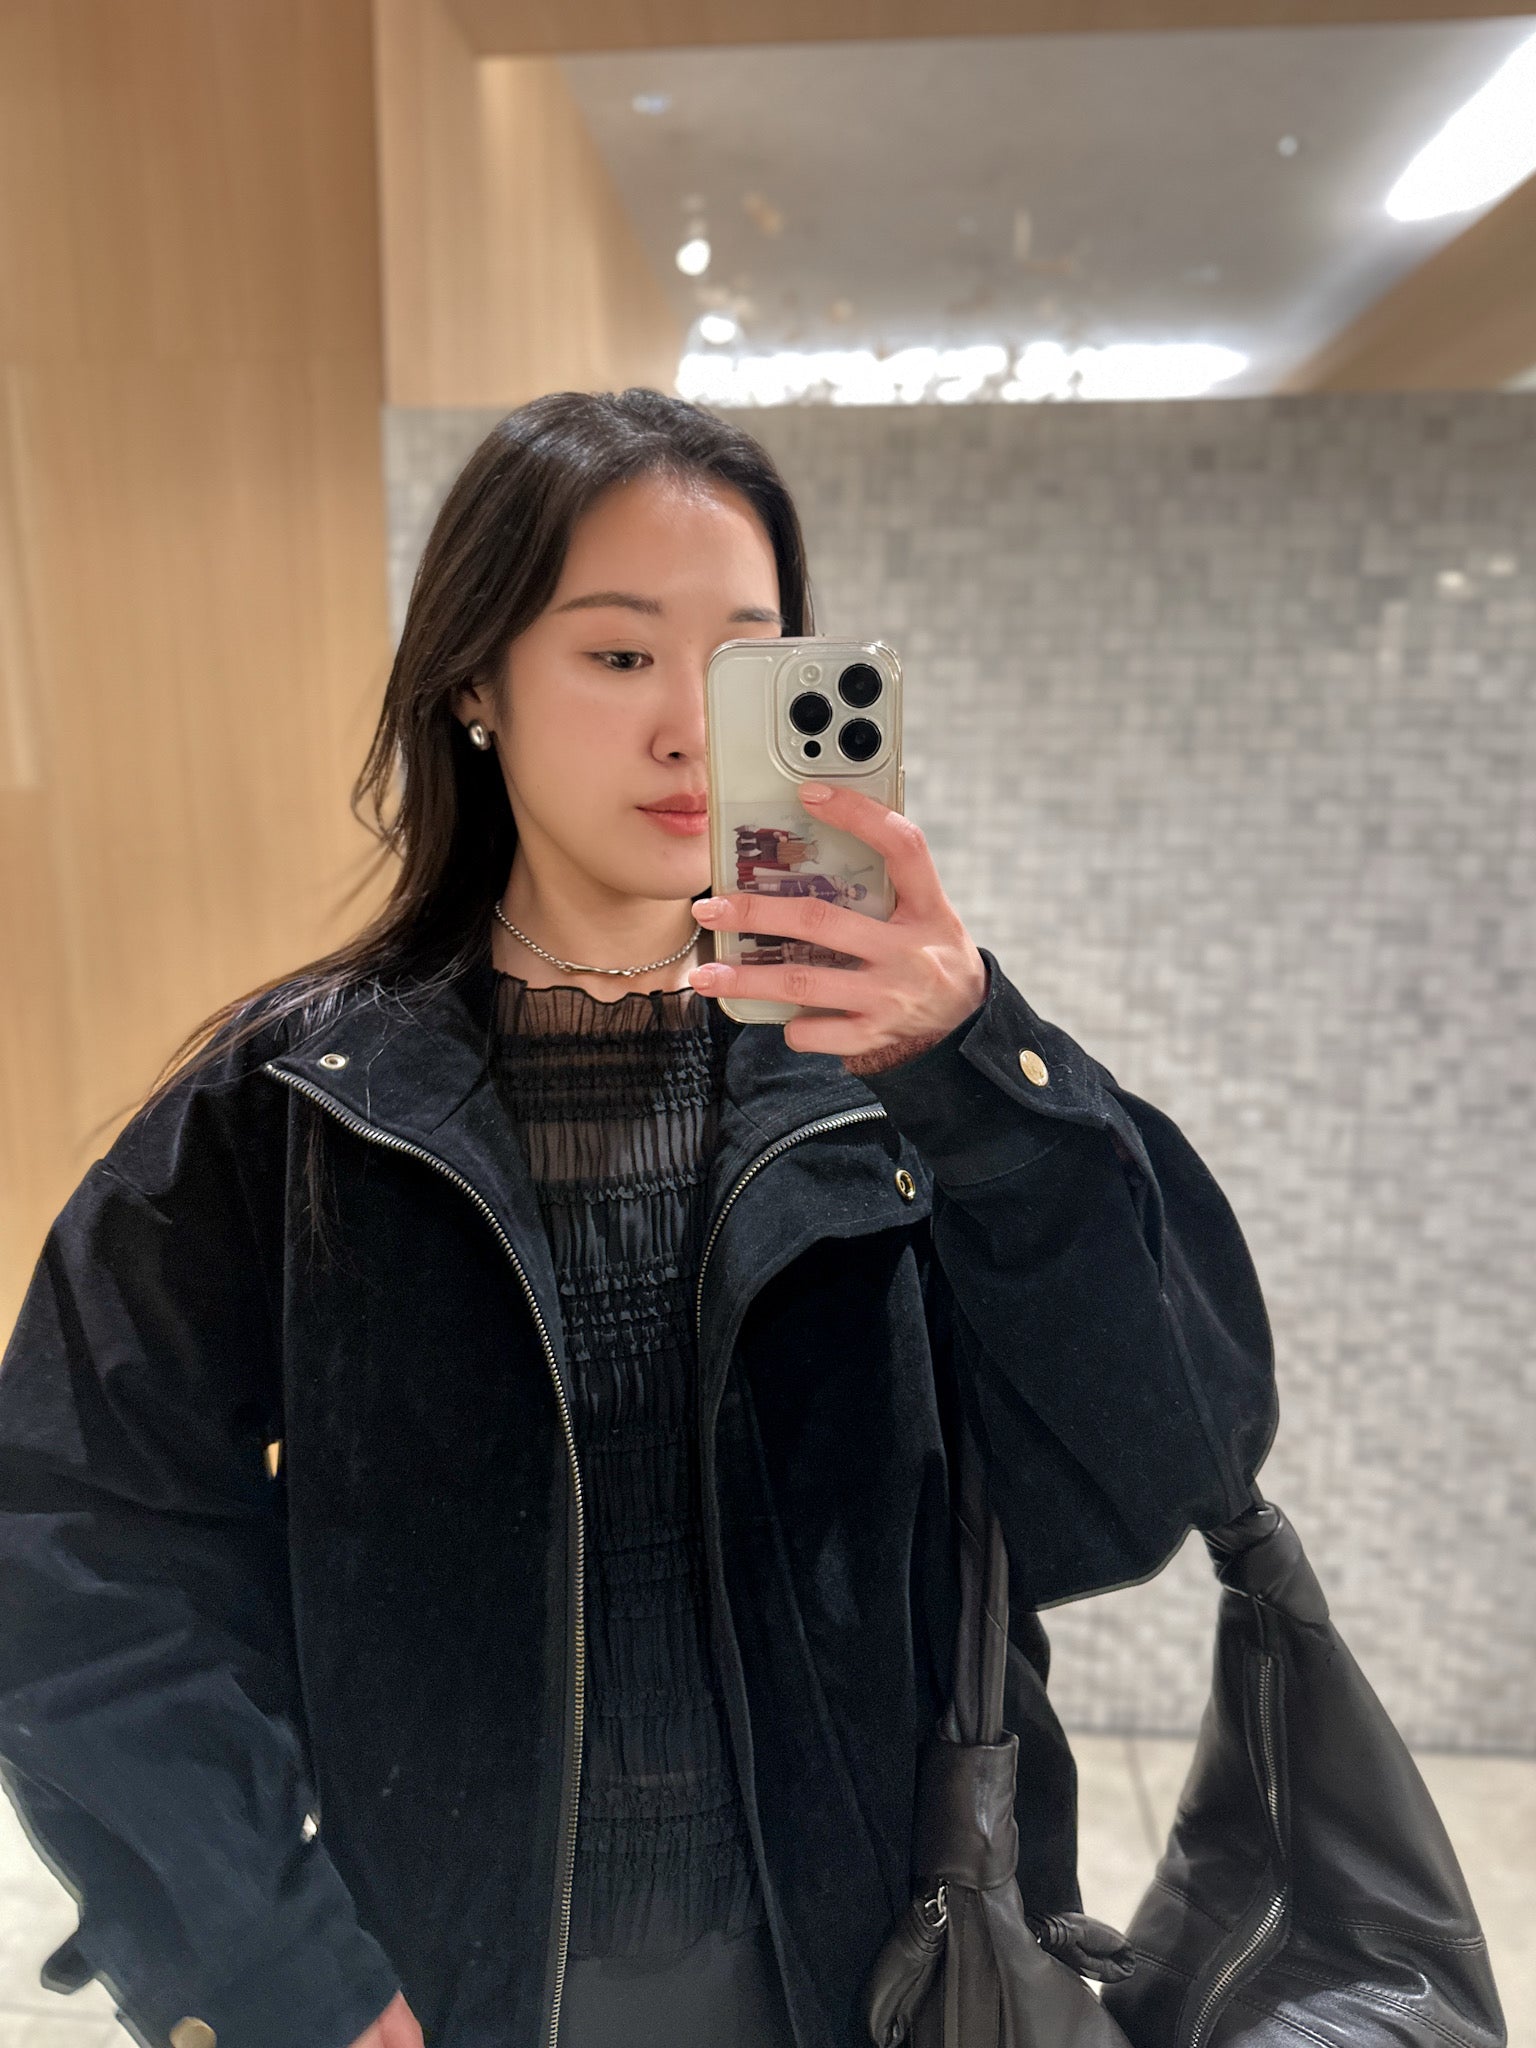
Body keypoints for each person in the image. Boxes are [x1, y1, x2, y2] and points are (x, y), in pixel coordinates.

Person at [0, 388, 1278, 2048]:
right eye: (616, 655)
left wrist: (981, 1073)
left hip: (885, 1975)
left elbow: (1159, 1475)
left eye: (744, 663)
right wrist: (276, 1968)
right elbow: (77, 1544)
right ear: (474, 681)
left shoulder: (900, 1076)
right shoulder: (298, 1109)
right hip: (449, 1992)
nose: (688, 730)